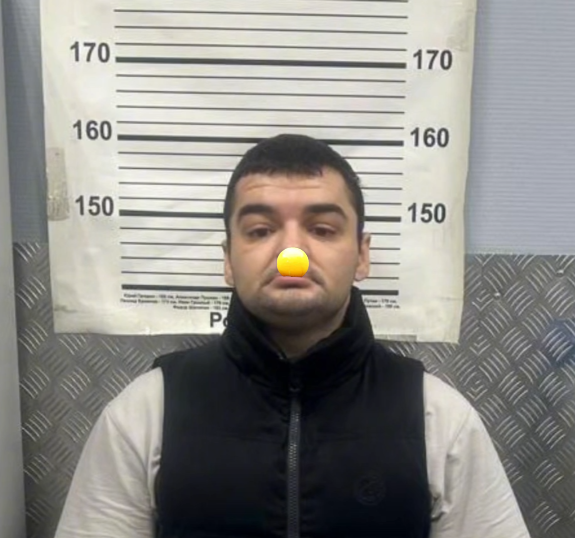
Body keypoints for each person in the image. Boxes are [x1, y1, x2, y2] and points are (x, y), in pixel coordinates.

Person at [53, 134, 531, 538]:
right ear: (227, 259)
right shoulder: (146, 413)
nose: (291, 253)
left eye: (322, 229)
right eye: (261, 230)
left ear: (362, 256)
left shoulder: (439, 419)